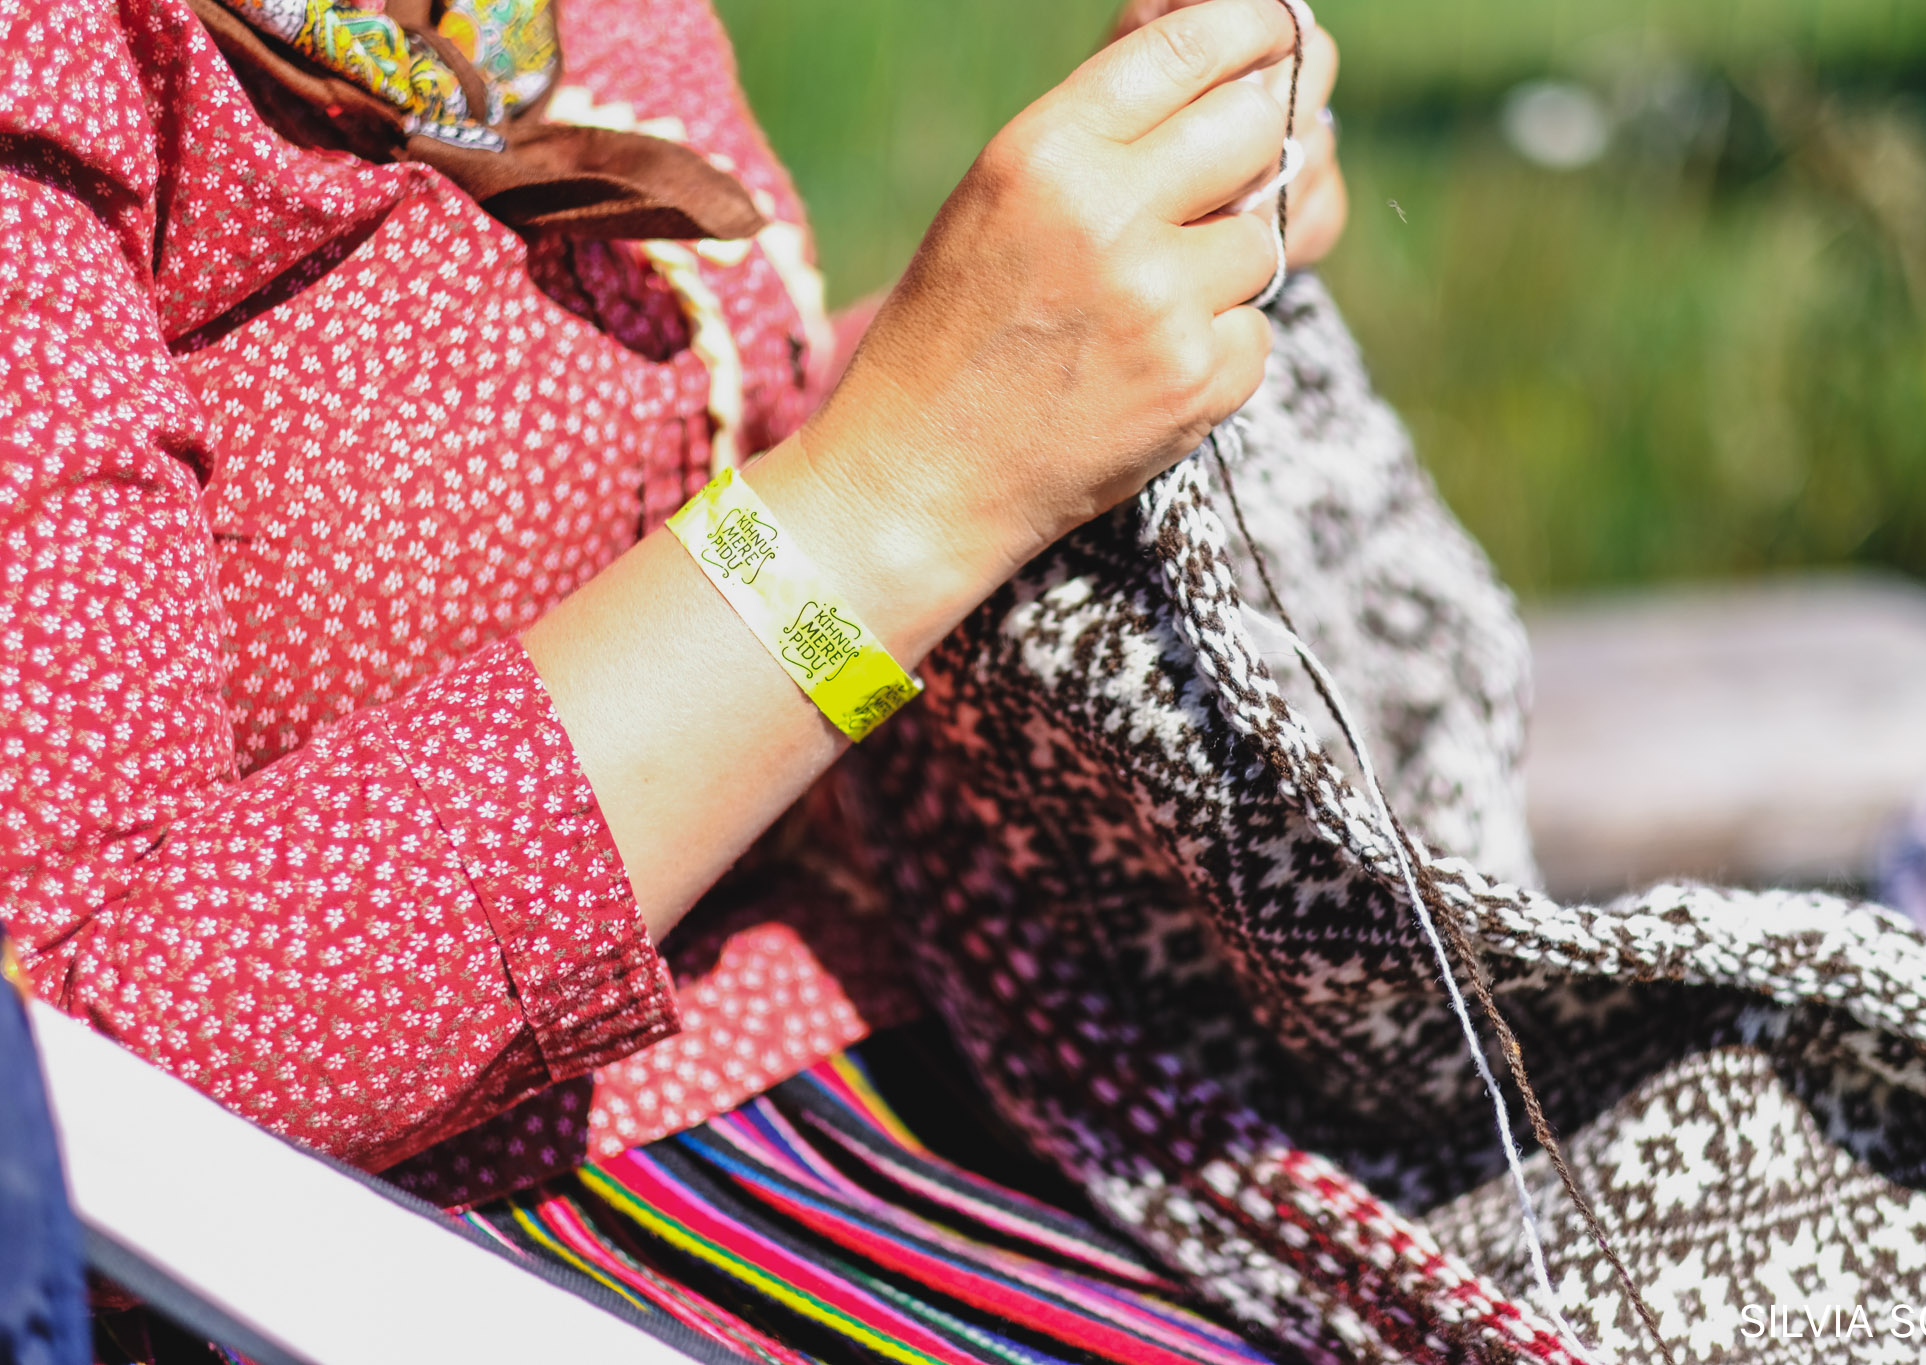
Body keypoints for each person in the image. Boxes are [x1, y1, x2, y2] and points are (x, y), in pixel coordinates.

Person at [0, 0, 1344, 1351]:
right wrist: (904, 493)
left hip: (868, 1045)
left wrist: (1056, 315)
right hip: (390, 1266)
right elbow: (75, 1097)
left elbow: (702, 513)